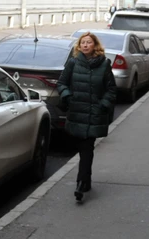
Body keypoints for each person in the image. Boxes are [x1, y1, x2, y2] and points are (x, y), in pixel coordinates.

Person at [57, 31, 117, 202]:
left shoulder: (104, 65)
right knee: (83, 150)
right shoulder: (73, 63)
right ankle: (86, 181)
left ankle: (81, 184)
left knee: (87, 149)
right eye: (82, 42)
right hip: (77, 112)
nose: (85, 45)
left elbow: (111, 89)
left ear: (95, 45)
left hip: (93, 114)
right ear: (79, 46)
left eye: (88, 42)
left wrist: (103, 105)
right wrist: (67, 96)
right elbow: (61, 83)